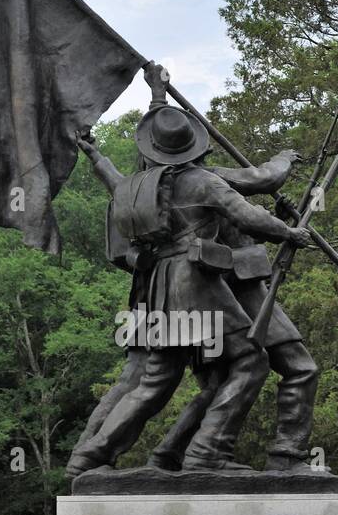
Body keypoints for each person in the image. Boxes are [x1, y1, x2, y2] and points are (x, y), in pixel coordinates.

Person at [67, 83, 314, 475]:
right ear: (193, 147)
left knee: (155, 381)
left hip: (156, 290)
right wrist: (289, 233)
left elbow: (110, 177)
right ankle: (207, 454)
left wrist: (94, 153)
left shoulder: (134, 187)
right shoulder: (202, 181)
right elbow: (249, 215)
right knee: (251, 360)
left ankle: (89, 457)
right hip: (194, 285)